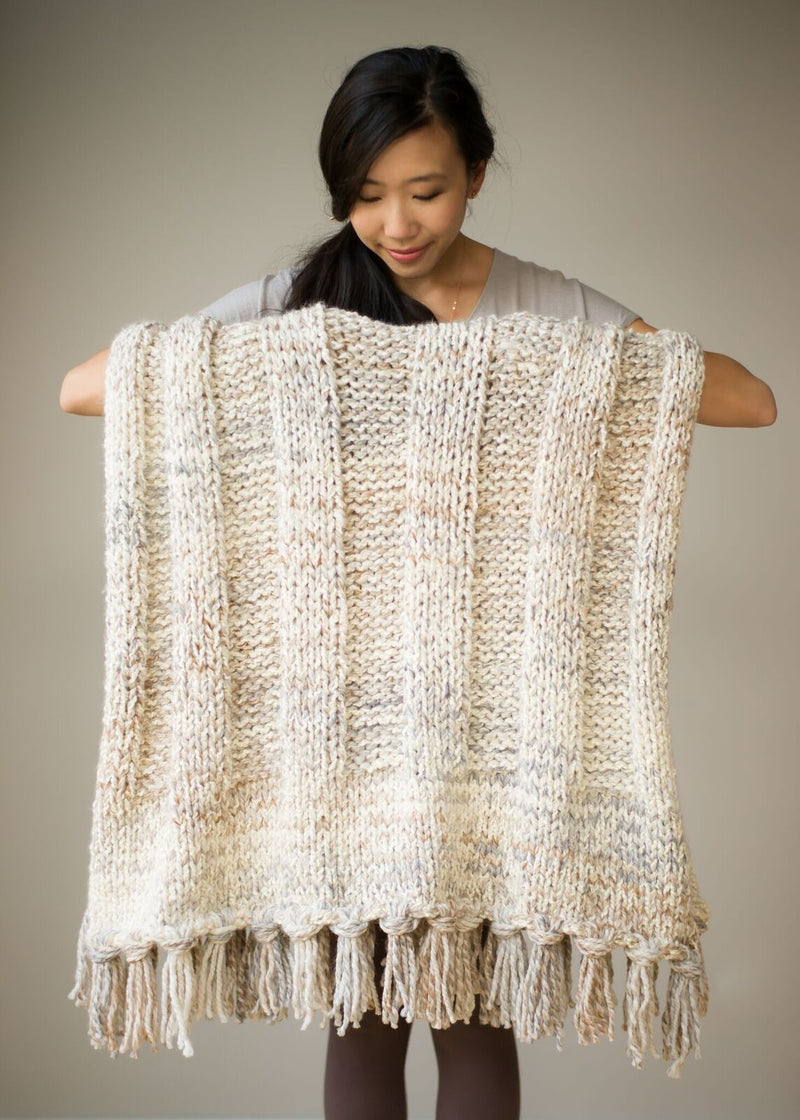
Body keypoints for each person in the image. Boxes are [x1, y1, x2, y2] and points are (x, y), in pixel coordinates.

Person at [59, 43, 776, 1120]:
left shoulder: (542, 306)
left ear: (477, 173)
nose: (396, 224)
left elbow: (749, 400)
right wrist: (273, 362)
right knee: (363, 1024)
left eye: (426, 192)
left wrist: (566, 365)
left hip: (490, 738)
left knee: (473, 1017)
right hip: (333, 739)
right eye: (366, 195)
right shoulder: (294, 305)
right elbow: (86, 388)